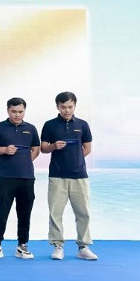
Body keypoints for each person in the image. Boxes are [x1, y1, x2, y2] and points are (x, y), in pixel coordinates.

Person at [40, 91, 96, 260]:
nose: (67, 110)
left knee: (83, 212)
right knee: (55, 213)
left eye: (70, 107)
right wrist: (54, 146)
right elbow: (43, 148)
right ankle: (58, 246)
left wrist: (76, 160)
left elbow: (87, 148)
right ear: (57, 106)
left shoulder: (83, 125)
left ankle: (83, 246)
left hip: (79, 176)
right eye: (63, 107)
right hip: (57, 176)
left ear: (75, 106)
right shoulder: (50, 125)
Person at [0, 98, 40, 260]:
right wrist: (4, 150)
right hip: (5, 176)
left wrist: (26, 161)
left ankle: (22, 245)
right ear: (8, 110)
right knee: (1, 212)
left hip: (27, 177)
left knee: (25, 212)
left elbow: (36, 148)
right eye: (14, 111)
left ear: (24, 111)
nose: (17, 115)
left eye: (20, 112)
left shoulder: (31, 128)